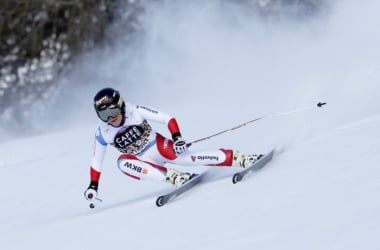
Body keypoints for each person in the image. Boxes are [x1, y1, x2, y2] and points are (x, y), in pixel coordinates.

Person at [84, 87, 262, 201]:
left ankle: (239, 158)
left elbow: (167, 118)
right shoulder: (103, 132)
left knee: (190, 158)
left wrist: (177, 138)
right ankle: (175, 177)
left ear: (121, 106)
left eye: (113, 111)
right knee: (122, 163)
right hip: (145, 162)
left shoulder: (134, 111)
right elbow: (97, 161)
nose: (111, 118)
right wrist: (93, 186)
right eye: (104, 115)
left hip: (159, 146)